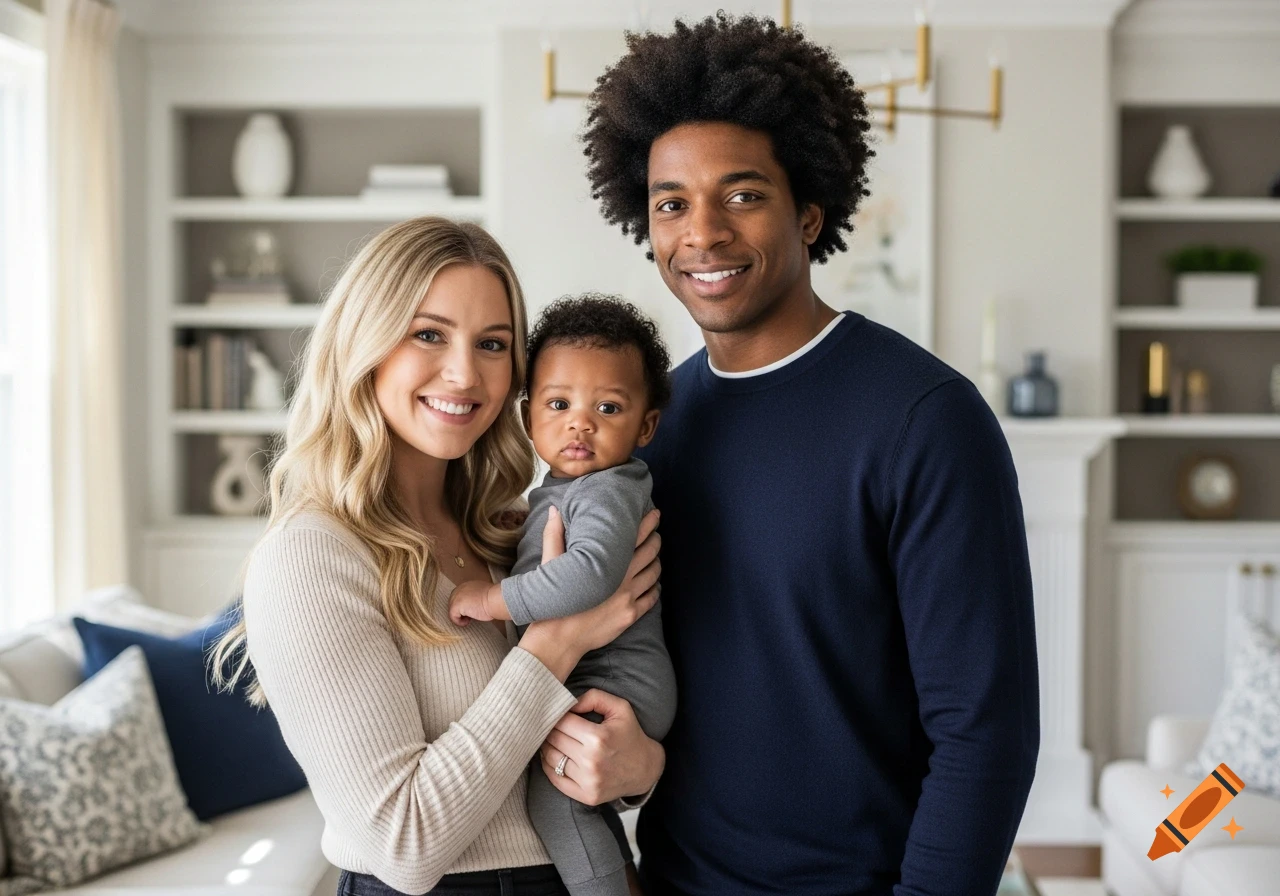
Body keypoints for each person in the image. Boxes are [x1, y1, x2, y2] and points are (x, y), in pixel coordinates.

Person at [580, 14, 1040, 896]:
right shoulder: (651, 427)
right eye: (671, 202)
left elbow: (986, 733)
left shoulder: (926, 421)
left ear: (810, 212)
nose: (701, 233)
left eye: (743, 195)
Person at [209, 217, 666, 896]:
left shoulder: (501, 533)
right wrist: (555, 643)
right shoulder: (311, 556)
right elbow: (404, 845)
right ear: (365, 344)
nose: (464, 372)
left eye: (492, 344)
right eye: (429, 334)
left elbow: (545, 762)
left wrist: (638, 769)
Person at [449, 294, 678, 896]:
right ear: (529, 418)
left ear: (645, 426)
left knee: (558, 804)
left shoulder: (606, 491)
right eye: (559, 404)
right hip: (601, 677)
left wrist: (494, 600)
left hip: (618, 681)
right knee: (580, 803)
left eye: (608, 407)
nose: (582, 423)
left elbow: (589, 576)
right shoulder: (562, 491)